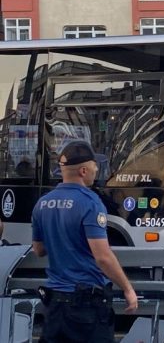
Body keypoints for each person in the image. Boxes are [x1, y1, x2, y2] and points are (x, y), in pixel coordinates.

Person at [31, 141, 137, 342]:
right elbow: (103, 257)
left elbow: (39, 249)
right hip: (86, 307)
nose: (97, 169)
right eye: (94, 165)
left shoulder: (42, 203)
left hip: (54, 306)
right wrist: (127, 288)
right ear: (83, 170)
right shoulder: (90, 203)